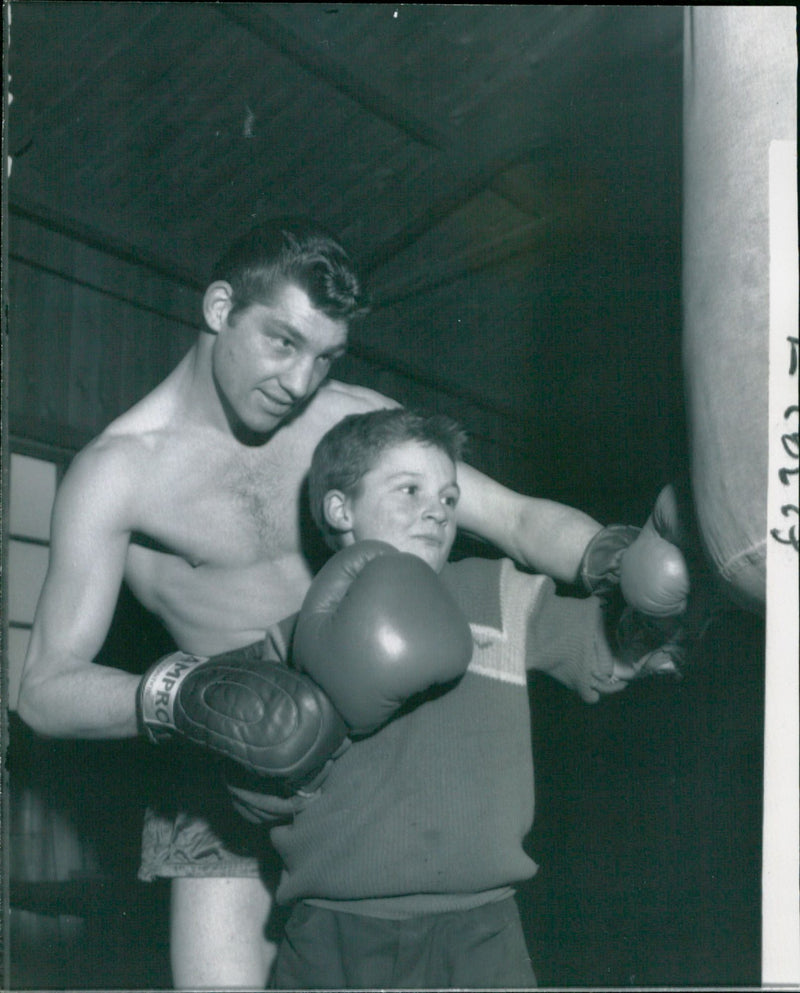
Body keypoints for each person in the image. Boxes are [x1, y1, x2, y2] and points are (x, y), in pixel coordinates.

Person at [16, 219, 686, 990]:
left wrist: (613, 557)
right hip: (224, 768)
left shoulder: (352, 422)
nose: (300, 383)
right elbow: (43, 687)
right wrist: (187, 693)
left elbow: (516, 519)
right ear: (218, 306)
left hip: (377, 766)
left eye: (325, 355)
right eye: (281, 343)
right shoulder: (117, 474)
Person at [226, 407, 681, 990]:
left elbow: (608, 656)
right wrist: (291, 744)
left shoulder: (496, 591)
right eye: (409, 490)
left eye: (448, 498)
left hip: (483, 929)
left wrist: (668, 598)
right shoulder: (286, 640)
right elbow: (254, 799)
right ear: (340, 509)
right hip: (336, 934)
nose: (435, 511)